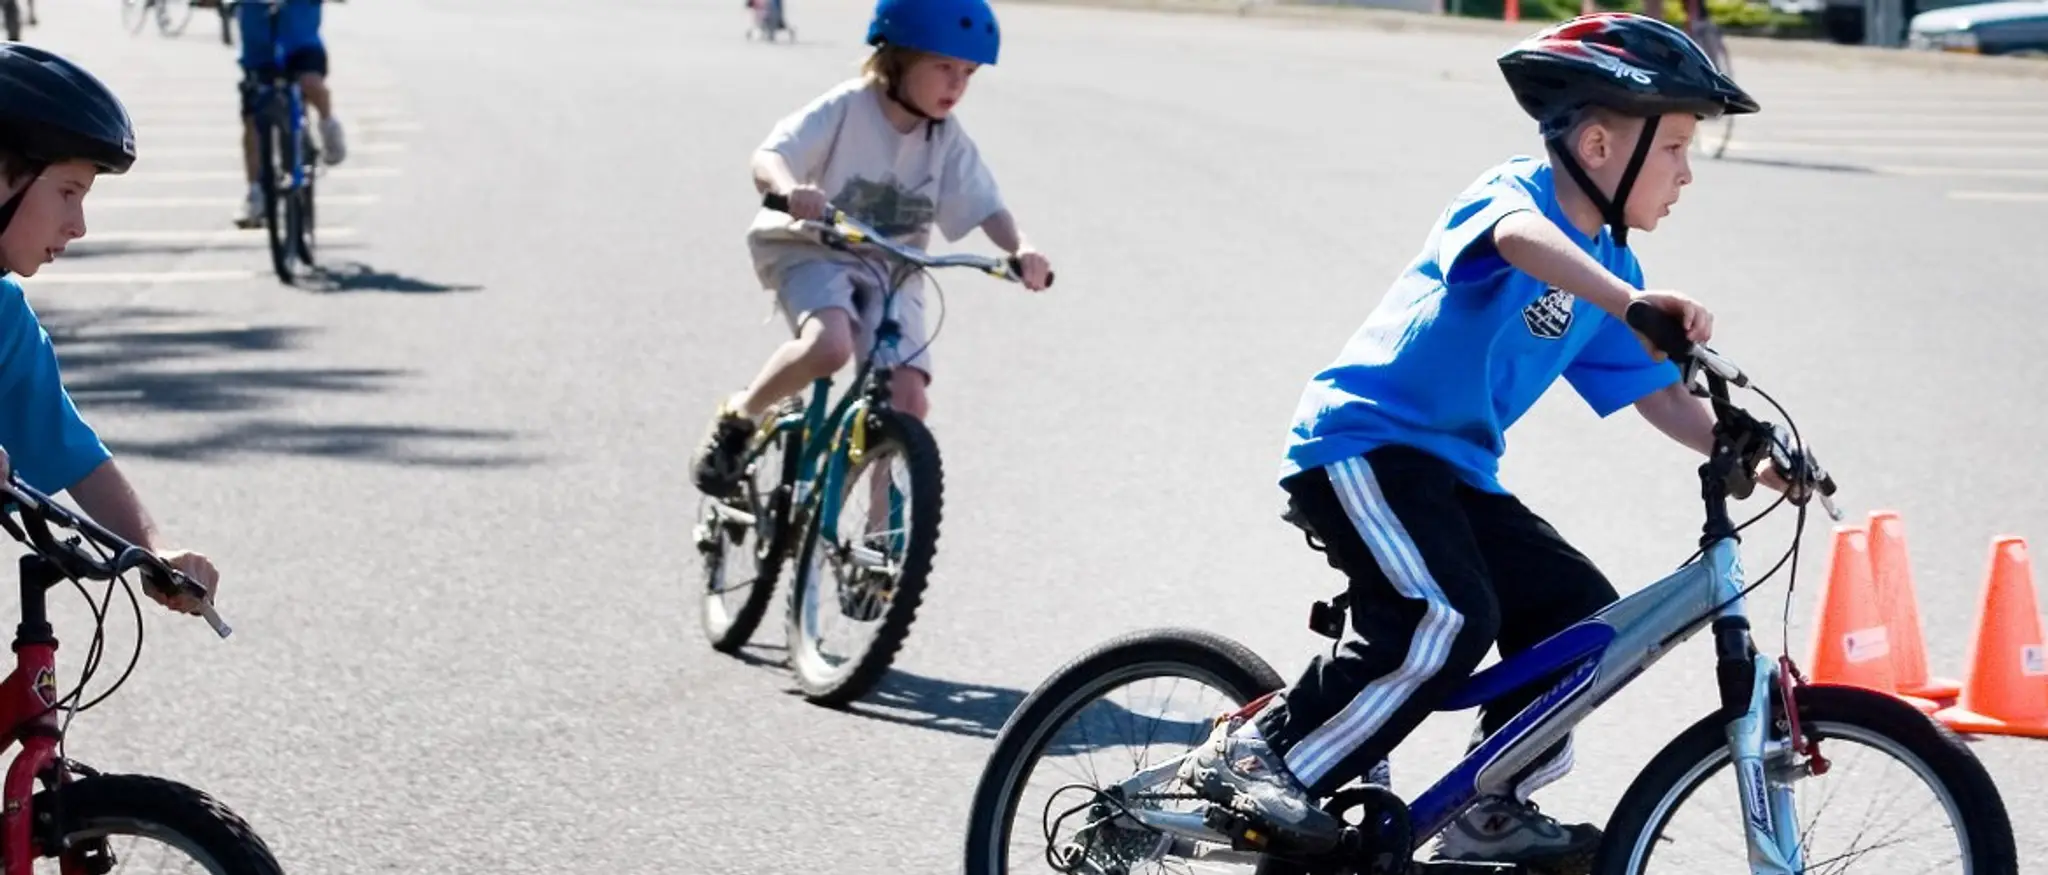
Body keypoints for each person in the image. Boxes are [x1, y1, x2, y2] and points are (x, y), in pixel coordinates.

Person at [1175, 12, 1765, 870]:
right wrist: (1625, 300)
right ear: (1600, 145)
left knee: (1576, 621)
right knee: (1443, 614)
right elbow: (1515, 243)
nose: (1685, 174)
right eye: (1674, 148)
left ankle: (1493, 802)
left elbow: (1658, 396)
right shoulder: (1516, 195)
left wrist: (1756, 454)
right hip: (1363, 447)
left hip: (1454, 472)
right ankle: (1258, 761)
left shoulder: (1613, 266)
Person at [690, 0, 1053, 497]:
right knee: (830, 346)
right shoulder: (848, 107)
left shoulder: (944, 139)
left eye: (968, 72)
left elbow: (987, 206)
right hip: (815, 249)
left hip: (892, 268)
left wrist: (1023, 248)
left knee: (909, 403)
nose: (957, 85)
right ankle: (741, 418)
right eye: (943, 67)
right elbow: (771, 155)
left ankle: (878, 555)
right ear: (898, 58)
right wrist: (790, 187)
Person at [0, 43, 221, 616]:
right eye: (67, 193)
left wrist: (153, 550)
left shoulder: (5, 318)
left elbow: (67, 446)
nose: (78, 225)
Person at [232, 0, 347, 229]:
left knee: (310, 83)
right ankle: (255, 193)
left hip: (301, 44)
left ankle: (329, 126)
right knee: (252, 118)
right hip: (259, 49)